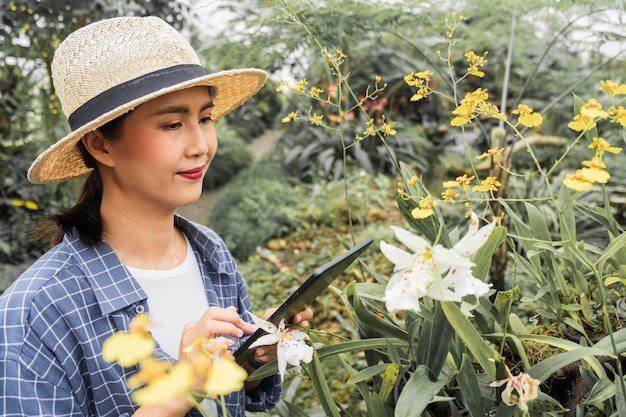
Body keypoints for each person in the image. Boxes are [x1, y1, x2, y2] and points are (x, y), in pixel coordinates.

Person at [0, 15, 312, 417]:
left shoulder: (209, 252)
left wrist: (255, 356)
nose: (201, 145)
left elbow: (226, 396)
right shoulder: (36, 311)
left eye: (205, 118)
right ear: (101, 146)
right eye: (172, 124)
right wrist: (179, 391)